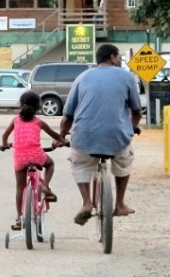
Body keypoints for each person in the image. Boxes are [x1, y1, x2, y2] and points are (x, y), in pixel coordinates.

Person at [58, 44, 142, 226]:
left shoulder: (82, 77)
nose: (120, 61)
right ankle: (119, 204)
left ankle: (87, 203)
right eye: (119, 57)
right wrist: (132, 129)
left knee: (79, 163)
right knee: (124, 160)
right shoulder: (127, 77)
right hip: (117, 136)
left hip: (84, 136)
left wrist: (62, 136)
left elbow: (68, 116)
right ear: (112, 57)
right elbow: (137, 112)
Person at [1, 90, 68, 230]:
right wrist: (64, 142)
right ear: (38, 107)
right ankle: (45, 186)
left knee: (20, 187)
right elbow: (55, 135)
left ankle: (19, 218)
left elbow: (5, 135)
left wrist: (5, 144)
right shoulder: (39, 122)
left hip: (20, 157)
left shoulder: (15, 120)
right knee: (50, 164)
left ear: (20, 105)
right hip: (36, 155)